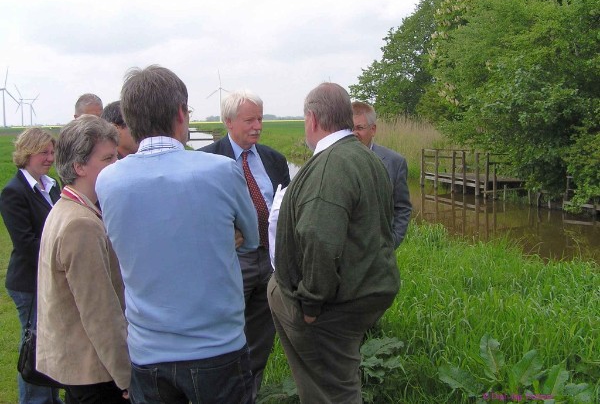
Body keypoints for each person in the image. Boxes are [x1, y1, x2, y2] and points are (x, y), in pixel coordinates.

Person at [96, 65, 257, 404]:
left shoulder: (108, 181)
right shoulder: (222, 170)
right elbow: (253, 237)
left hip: (147, 352)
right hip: (217, 347)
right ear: (182, 113)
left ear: (130, 118)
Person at [268, 83, 400, 403]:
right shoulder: (366, 158)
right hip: (366, 290)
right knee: (340, 377)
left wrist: (311, 304)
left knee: (331, 389)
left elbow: (319, 237)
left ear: (312, 119)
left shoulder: (329, 165)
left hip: (332, 304)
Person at [199, 90, 290, 399]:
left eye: (260, 119)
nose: (257, 126)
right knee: (225, 334)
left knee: (262, 336)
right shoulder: (207, 161)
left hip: (271, 260)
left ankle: (251, 393)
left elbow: (285, 206)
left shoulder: (274, 160)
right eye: (249, 119)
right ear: (229, 122)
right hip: (231, 261)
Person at [36, 115, 130, 403]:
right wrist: (125, 376)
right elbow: (100, 312)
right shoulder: (81, 224)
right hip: (96, 373)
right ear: (79, 166)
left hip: (78, 365)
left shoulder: (65, 208)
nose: (117, 166)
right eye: (107, 159)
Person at [0, 128, 62, 404]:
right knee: (35, 347)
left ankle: (49, 398)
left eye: (52, 152)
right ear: (27, 154)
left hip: (50, 279)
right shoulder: (14, 192)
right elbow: (26, 244)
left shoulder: (52, 186)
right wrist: (63, 257)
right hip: (29, 282)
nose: (49, 158)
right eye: (44, 152)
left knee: (50, 345)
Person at [352, 101, 412, 248]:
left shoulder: (395, 163)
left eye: (359, 128)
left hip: (379, 254)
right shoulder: (335, 160)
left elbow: (402, 207)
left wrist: (393, 241)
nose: (354, 133)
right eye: (349, 128)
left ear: (373, 130)